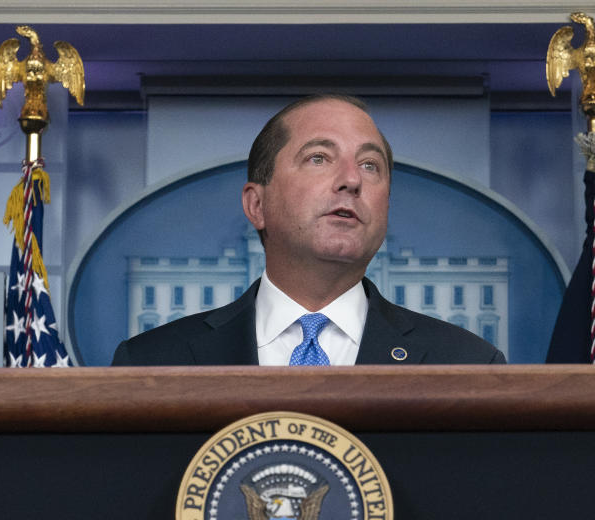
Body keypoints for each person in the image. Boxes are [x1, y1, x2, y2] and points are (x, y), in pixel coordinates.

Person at [112, 94, 505, 366]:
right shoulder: (152, 361)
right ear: (257, 205)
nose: (352, 180)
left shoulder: (467, 363)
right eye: (319, 158)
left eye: (370, 165)